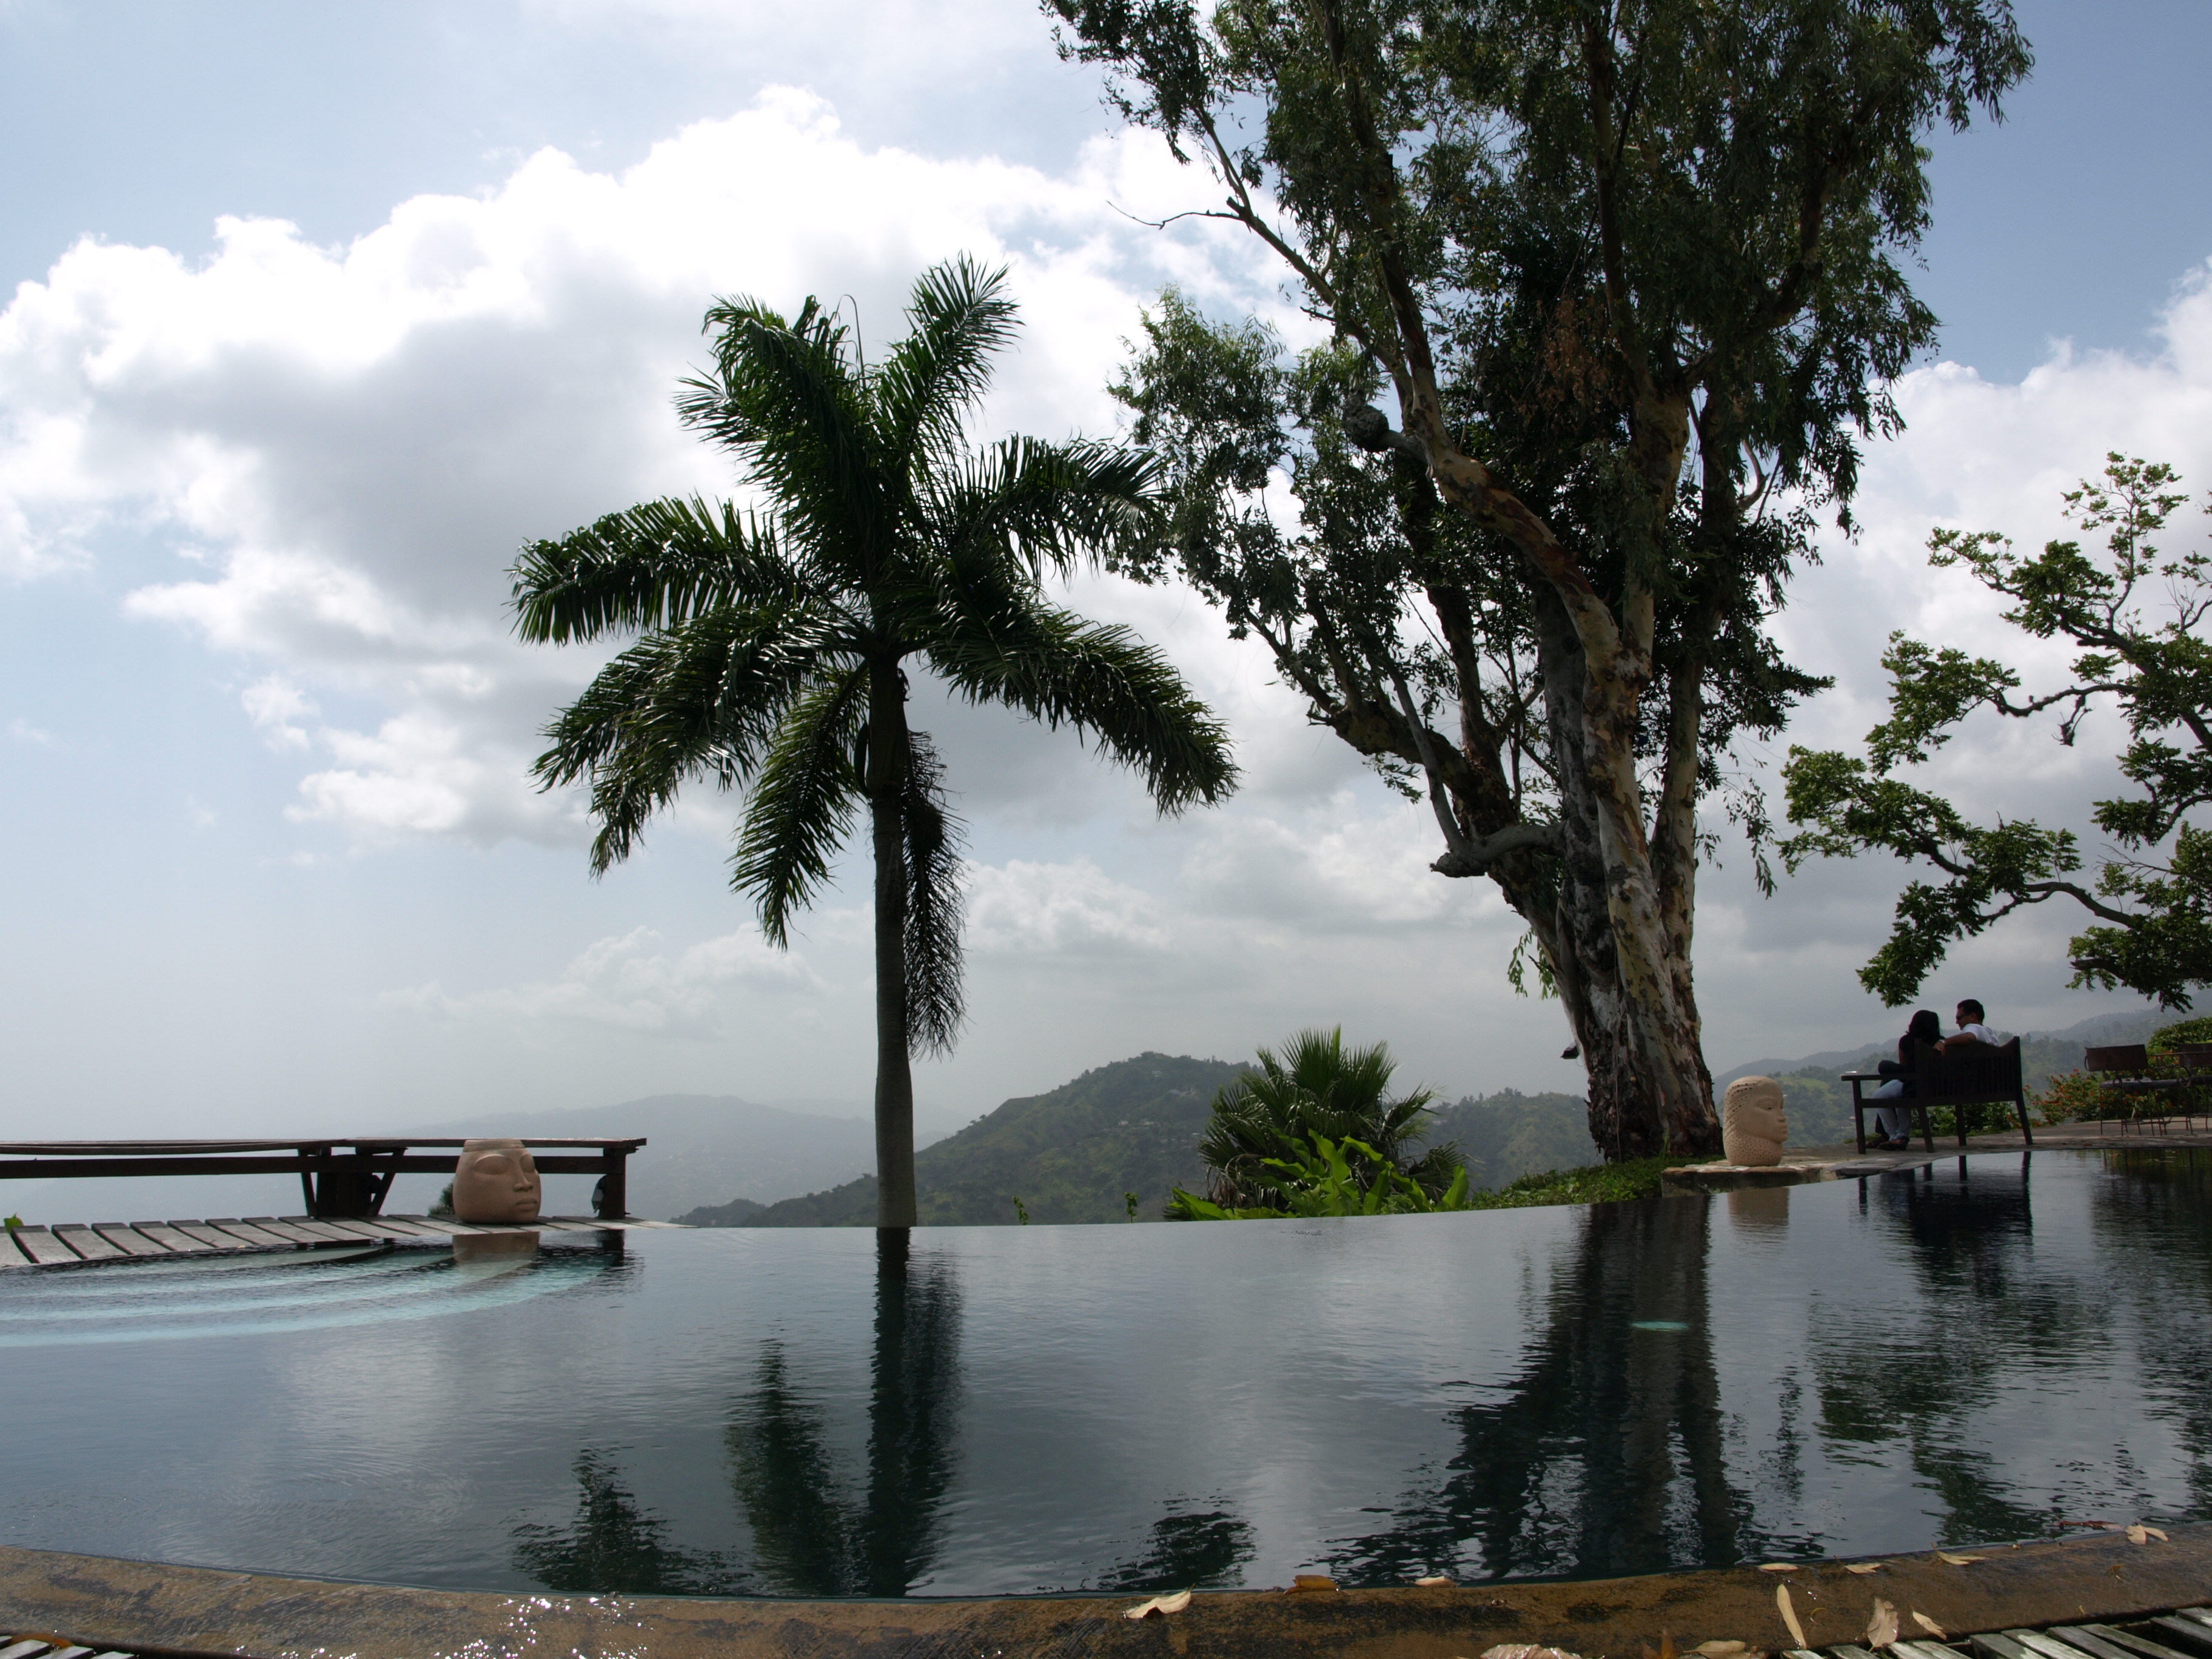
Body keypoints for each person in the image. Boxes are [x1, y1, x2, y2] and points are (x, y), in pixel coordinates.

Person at [1865, 1009, 1943, 1150]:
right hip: (1936, 1086)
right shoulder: (1941, 1043)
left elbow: (1904, 1067)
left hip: (1913, 1084)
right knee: (1888, 1080)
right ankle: (1895, 1136)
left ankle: (1894, 1136)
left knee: (1881, 1085)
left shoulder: (1907, 1041)